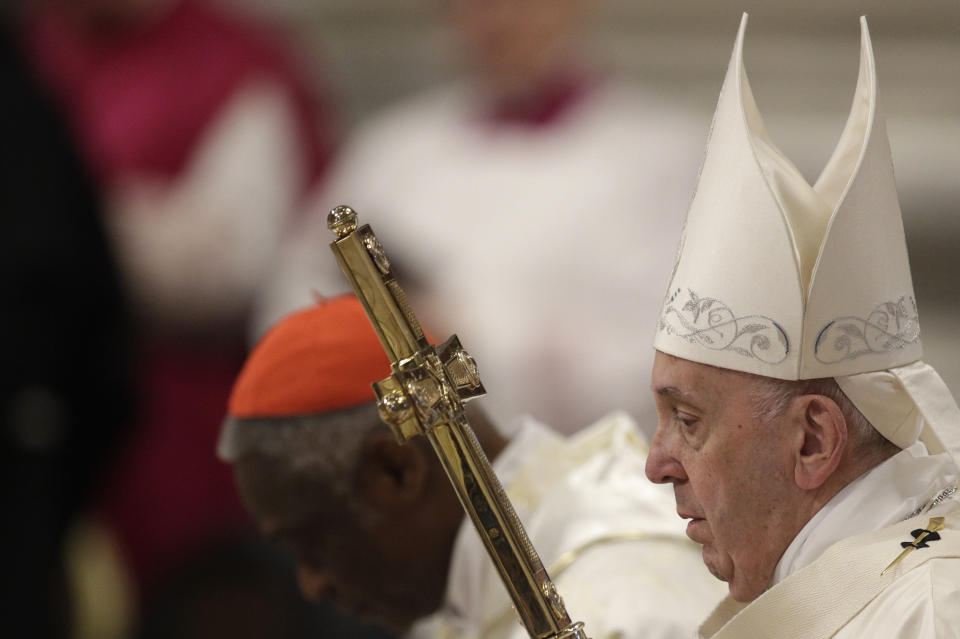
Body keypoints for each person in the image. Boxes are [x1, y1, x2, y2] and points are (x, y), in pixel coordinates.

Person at [643, 15, 960, 638]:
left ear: (813, 440)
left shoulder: (933, 610)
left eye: (687, 420)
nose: (656, 465)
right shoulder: (842, 592)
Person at [254, 0, 705, 435]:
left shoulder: (666, 157)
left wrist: (470, 340)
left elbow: (675, 355)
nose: (498, 19)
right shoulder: (392, 149)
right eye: (474, 2)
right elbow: (293, 295)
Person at [22, 0, 337, 599]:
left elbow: (227, 268)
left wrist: (70, 226)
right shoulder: (35, 48)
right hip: (48, 430)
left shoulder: (237, 64)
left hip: (182, 430)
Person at [217, 294, 725, 639]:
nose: (312, 584)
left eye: (310, 544)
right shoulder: (465, 602)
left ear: (396, 473)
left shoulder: (622, 607)